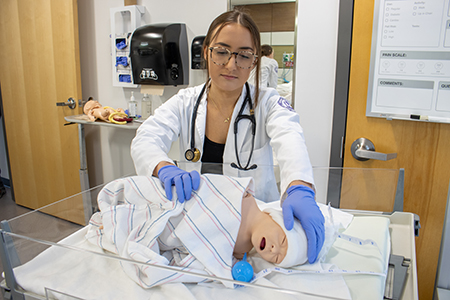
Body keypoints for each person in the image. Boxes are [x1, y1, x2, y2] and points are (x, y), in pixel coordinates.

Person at [130, 8, 324, 264]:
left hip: (254, 237)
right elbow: (146, 138)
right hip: (198, 225)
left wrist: (300, 185)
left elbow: (291, 139)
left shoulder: (268, 103)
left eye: (244, 56)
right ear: (206, 52)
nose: (232, 65)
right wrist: (163, 167)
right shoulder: (185, 102)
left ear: (254, 61)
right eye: (222, 52)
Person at [86, 174, 308, 288]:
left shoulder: (242, 252)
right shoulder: (244, 196)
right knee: (153, 207)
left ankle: (119, 222)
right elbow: (211, 189)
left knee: (155, 231)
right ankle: (119, 214)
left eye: (276, 256)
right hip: (177, 204)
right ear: (274, 216)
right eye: (281, 239)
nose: (272, 248)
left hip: (175, 233)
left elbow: (208, 250)